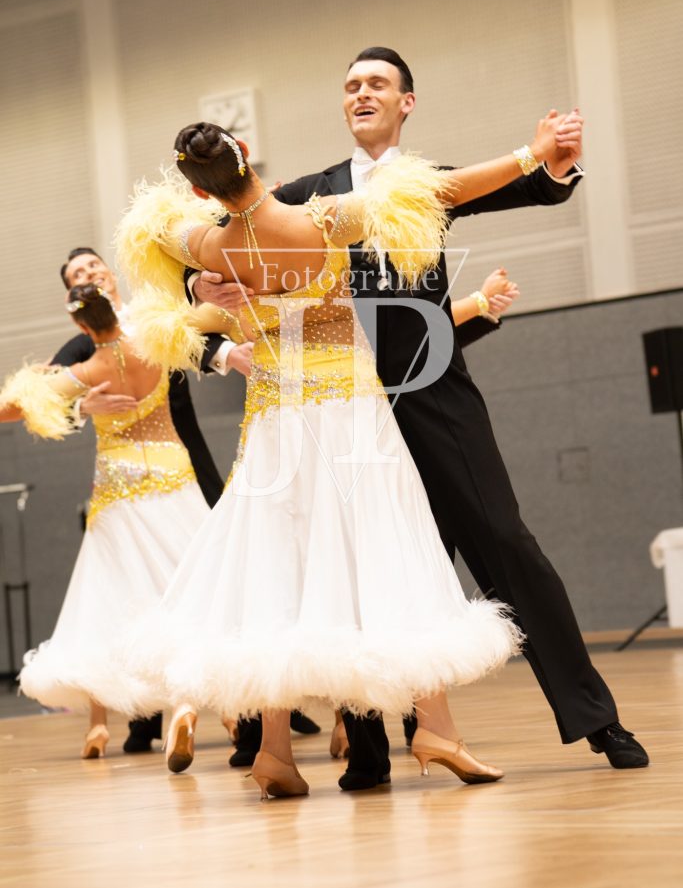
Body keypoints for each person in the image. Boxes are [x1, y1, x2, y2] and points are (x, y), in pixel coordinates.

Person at [192, 47, 649, 786]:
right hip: (343, 410)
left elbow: (525, 188)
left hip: (432, 395)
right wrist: (203, 285)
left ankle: (597, 718)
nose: (361, 93)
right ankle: (370, 751)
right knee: (357, 566)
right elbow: (224, 242)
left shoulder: (426, 182)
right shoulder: (310, 192)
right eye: (350, 85)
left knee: (505, 541)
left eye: (377, 83)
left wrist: (556, 164)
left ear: (407, 101)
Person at [111, 114, 571, 801]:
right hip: (351, 414)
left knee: (277, 568)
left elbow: (153, 234)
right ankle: (435, 727)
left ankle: (273, 750)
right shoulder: (320, 220)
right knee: (385, 552)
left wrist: (199, 284)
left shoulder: (208, 243)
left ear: (199, 187)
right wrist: (529, 154)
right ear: (248, 158)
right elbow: (439, 193)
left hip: (273, 422)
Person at [54, 251, 321, 755]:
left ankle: (260, 706)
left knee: (208, 570)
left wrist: (226, 356)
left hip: (188, 458)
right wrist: (81, 407)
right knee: (159, 579)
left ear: (110, 272)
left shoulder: (155, 312)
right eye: (77, 275)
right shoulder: (83, 342)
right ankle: (157, 719)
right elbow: (49, 392)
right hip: (147, 472)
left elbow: (197, 339)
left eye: (92, 266)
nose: (89, 275)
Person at [0, 283, 210, 759]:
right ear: (114, 310)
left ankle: (98, 728)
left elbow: (11, 410)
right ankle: (201, 706)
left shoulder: (85, 372)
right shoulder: (152, 345)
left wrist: (39, 384)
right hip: (174, 476)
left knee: (110, 600)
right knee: (193, 585)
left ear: (80, 325)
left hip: (119, 489)